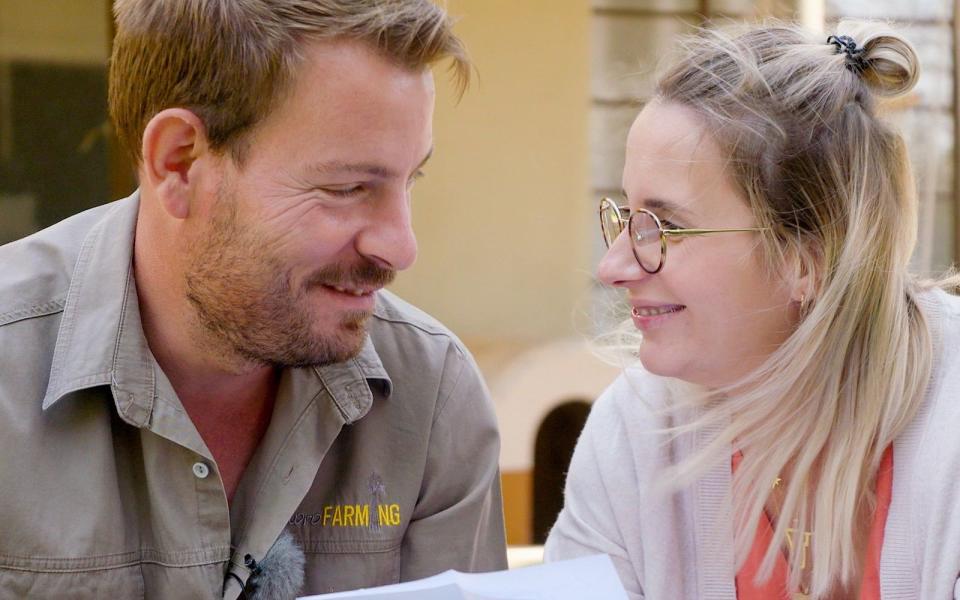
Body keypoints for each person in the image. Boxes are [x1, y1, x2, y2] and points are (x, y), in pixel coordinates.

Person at [0, 1, 507, 598]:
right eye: (346, 188)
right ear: (179, 162)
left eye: (409, 180)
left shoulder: (430, 394)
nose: (400, 245)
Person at [545, 19, 960, 600]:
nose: (613, 267)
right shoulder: (639, 429)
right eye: (625, 215)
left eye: (665, 227)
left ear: (805, 258)